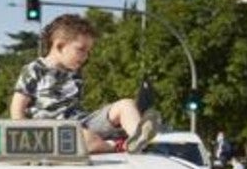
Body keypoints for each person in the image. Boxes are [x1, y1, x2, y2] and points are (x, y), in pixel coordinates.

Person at [9, 14, 158, 154]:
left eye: (88, 51)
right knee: (86, 139)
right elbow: (17, 107)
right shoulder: (35, 69)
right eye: (81, 49)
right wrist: (27, 138)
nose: (86, 56)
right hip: (51, 132)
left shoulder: (75, 71)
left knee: (126, 104)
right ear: (60, 46)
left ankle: (138, 137)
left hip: (82, 122)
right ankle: (118, 146)